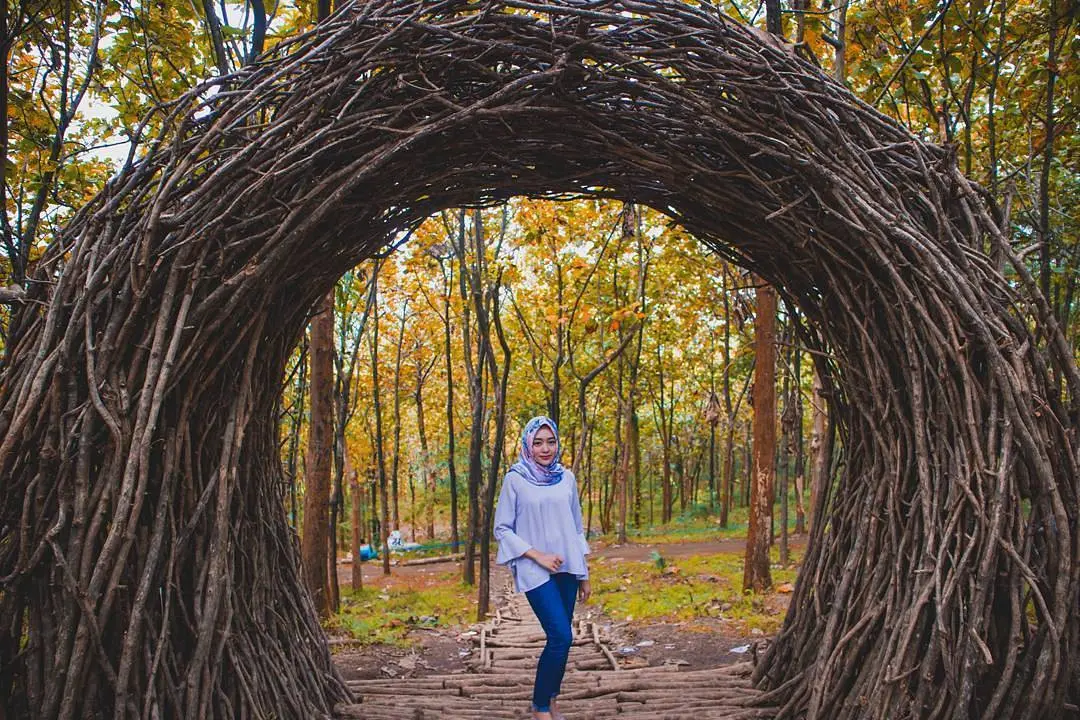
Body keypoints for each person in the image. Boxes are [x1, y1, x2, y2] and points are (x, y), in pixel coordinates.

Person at [494, 416, 591, 720]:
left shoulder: (567, 478)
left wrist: (584, 572)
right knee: (561, 636)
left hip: (568, 567)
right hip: (535, 568)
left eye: (550, 441)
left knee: (561, 640)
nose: (545, 448)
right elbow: (502, 528)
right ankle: (540, 707)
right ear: (527, 444)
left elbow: (576, 528)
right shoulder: (515, 478)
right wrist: (538, 556)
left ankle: (550, 697)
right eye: (538, 442)